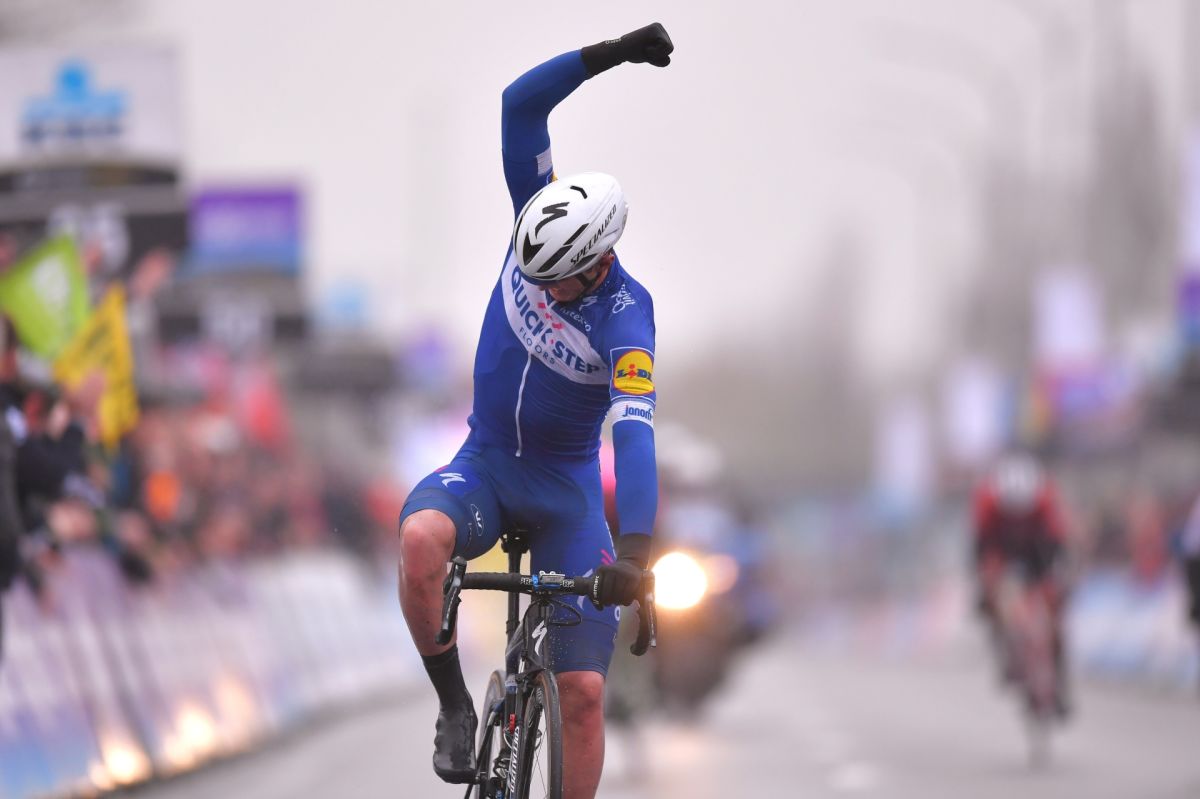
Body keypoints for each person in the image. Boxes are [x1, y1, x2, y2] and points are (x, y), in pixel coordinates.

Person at [396, 23, 673, 797]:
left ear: (598, 262)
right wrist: (612, 53)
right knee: (419, 540)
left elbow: (635, 436)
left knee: (581, 692)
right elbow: (520, 105)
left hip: (565, 492)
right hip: (485, 462)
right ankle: (454, 704)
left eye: (555, 281)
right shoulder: (539, 223)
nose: (538, 287)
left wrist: (636, 554)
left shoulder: (627, 321)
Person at [971, 452, 1072, 715]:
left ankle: (1059, 682)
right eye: (1011, 511)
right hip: (1000, 549)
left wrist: (1058, 576)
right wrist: (985, 581)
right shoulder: (987, 501)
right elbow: (980, 545)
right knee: (991, 597)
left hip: (1037, 550)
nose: (1017, 517)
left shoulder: (1045, 499)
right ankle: (1003, 649)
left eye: (1022, 511)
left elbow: (1058, 542)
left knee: (1055, 608)